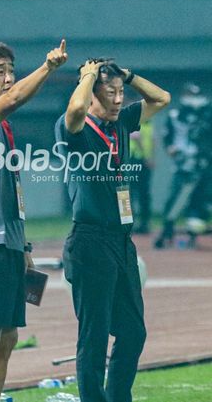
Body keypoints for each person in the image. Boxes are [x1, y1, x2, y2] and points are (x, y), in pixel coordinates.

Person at [0, 39, 67, 402]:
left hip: (8, 244)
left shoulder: (3, 130)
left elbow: (10, 194)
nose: (8, 78)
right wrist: (48, 67)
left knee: (8, 336)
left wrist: (24, 247)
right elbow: (15, 98)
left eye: (11, 71)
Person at [54, 58, 170, 402]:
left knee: (133, 331)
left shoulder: (122, 123)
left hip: (121, 242)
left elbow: (161, 99)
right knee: (94, 335)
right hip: (89, 241)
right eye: (110, 93)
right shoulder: (74, 127)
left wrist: (128, 75)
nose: (119, 100)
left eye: (121, 93)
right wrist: (88, 75)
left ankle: (118, 397)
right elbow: (75, 107)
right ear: (92, 94)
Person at [154, 82, 212, 249]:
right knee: (175, 199)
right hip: (181, 165)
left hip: (201, 164)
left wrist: (210, 154)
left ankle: (193, 235)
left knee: (197, 200)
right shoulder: (176, 115)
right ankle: (168, 232)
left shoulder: (207, 116)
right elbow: (167, 138)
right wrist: (171, 149)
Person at [129, 119, 156, 234]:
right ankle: (130, 223)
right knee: (127, 194)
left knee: (141, 194)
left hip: (140, 162)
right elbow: (137, 138)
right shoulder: (133, 123)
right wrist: (148, 158)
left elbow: (153, 142)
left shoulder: (147, 125)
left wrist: (150, 158)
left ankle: (141, 223)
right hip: (132, 160)